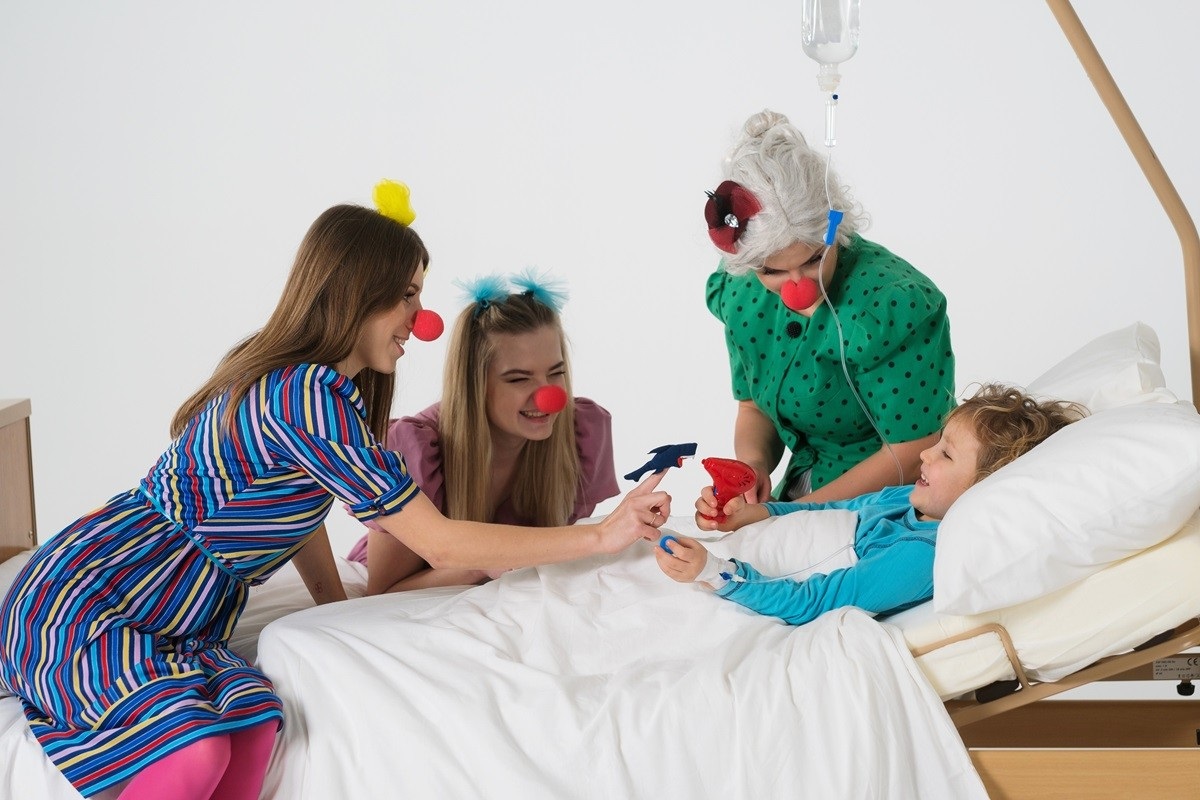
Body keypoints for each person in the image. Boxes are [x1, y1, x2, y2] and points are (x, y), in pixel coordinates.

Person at [0, 181, 670, 800]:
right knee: (196, 752)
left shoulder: (321, 391)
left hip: (179, 613)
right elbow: (437, 540)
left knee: (256, 730)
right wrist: (599, 537)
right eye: (407, 295)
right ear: (358, 292)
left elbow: (294, 509)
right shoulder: (305, 393)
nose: (420, 318)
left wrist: (331, 605)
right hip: (95, 597)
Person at [655, 384, 1083, 626]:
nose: (924, 454)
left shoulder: (921, 555)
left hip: (739, 586)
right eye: (937, 443)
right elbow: (827, 512)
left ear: (985, 491)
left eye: (946, 455)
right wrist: (758, 514)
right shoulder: (907, 499)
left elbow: (816, 601)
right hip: (739, 555)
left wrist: (714, 572)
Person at [704, 108, 956, 505]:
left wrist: (786, 518)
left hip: (887, 503)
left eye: (813, 260)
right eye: (773, 271)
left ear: (836, 229)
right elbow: (753, 407)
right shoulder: (741, 293)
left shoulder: (891, 305)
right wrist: (752, 467)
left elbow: (911, 452)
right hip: (801, 496)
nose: (798, 286)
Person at [347, 271, 620, 593]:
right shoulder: (414, 450)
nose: (548, 396)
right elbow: (383, 591)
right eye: (519, 379)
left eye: (556, 373)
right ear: (475, 385)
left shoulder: (580, 434)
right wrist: (483, 559)